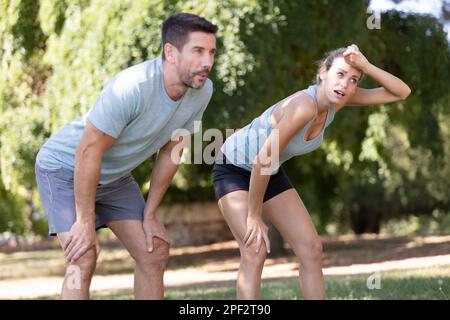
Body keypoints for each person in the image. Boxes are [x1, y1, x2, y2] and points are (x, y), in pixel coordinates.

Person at [34, 12, 217, 300]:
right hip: (64, 169)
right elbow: (88, 151)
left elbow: (173, 150)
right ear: (170, 52)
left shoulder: (202, 91)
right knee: (81, 258)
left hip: (114, 177)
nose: (207, 62)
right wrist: (84, 221)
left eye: (211, 52)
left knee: (154, 250)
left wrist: (150, 213)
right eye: (198, 51)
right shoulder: (132, 87)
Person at [213, 44, 411, 299]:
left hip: (268, 170)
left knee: (311, 249)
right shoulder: (303, 106)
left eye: (354, 79)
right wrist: (254, 214)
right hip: (234, 168)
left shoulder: (339, 100)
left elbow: (401, 92)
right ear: (323, 73)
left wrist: (367, 66)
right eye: (340, 74)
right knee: (254, 248)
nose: (346, 84)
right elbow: (263, 160)